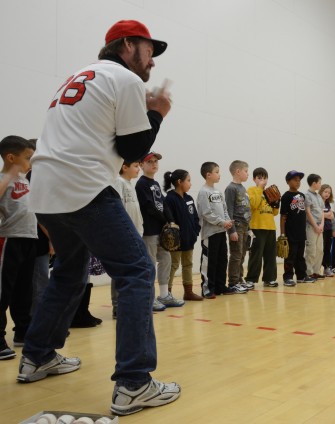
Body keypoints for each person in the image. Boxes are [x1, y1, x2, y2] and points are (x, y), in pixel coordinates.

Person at [22, 20, 180, 415]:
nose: (152, 63)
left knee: (70, 270)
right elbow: (132, 150)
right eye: (148, 51)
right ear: (128, 45)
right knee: (137, 271)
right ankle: (134, 382)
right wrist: (157, 113)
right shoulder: (124, 79)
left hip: (45, 189)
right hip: (84, 187)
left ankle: (37, 355)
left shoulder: (78, 76)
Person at [0, 136, 36, 360]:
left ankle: (23, 332)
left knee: (25, 291)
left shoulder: (26, 179)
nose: (30, 163)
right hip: (9, 239)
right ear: (11, 158)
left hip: (29, 238)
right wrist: (10, 175)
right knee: (4, 291)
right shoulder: (4, 178)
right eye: (27, 158)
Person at [136, 151, 183, 309]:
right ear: (142, 165)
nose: (154, 164)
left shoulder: (155, 184)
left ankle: (164, 296)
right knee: (149, 264)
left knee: (166, 260)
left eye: (156, 161)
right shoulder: (141, 184)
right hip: (149, 231)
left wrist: (170, 221)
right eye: (150, 162)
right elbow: (149, 208)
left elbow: (163, 205)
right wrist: (165, 221)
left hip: (162, 230)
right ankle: (149, 298)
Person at [111, 160, 149, 318]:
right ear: (124, 167)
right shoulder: (118, 183)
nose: (138, 169)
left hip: (135, 233)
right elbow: (118, 209)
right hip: (123, 235)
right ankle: (117, 306)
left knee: (133, 271)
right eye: (135, 166)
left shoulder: (129, 184)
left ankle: (129, 304)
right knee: (121, 271)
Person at [163, 169, 202, 301]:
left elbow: (195, 218)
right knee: (173, 265)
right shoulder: (170, 198)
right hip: (176, 242)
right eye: (189, 180)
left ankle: (188, 292)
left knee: (188, 264)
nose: (191, 183)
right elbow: (169, 220)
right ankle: (167, 293)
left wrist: (195, 232)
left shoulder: (189, 198)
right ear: (179, 182)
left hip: (189, 239)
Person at [198, 162, 234, 297]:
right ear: (208, 175)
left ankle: (220, 286)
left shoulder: (218, 192)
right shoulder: (203, 192)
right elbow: (206, 213)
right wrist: (221, 222)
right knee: (209, 262)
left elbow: (224, 209)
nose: (219, 175)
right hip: (210, 233)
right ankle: (207, 288)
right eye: (217, 172)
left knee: (222, 260)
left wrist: (227, 221)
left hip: (221, 232)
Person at [245, 167, 280, 288]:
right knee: (256, 255)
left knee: (270, 255)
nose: (262, 180)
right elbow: (253, 204)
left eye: (264, 178)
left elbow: (274, 213)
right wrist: (260, 189)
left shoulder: (270, 192)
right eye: (259, 178)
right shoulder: (251, 190)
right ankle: (251, 279)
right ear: (254, 179)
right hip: (256, 227)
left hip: (270, 227)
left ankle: (269, 279)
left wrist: (276, 204)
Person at [281, 170, 315, 286]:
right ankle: (288, 277)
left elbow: (304, 213)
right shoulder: (286, 196)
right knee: (290, 256)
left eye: (299, 180)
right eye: (295, 180)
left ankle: (301, 276)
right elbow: (283, 216)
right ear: (288, 181)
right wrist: (282, 234)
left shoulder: (302, 196)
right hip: (290, 233)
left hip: (301, 232)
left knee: (300, 256)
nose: (298, 182)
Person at [225, 160, 251, 293]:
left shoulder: (242, 188)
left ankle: (240, 279)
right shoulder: (231, 188)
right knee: (236, 254)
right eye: (246, 171)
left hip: (245, 227)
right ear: (238, 171)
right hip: (237, 226)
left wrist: (250, 228)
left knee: (242, 254)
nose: (248, 174)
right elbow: (228, 210)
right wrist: (232, 230)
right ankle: (233, 282)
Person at [305, 174, 325, 280]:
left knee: (319, 250)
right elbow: (308, 212)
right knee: (311, 250)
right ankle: (309, 272)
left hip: (319, 227)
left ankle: (317, 271)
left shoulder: (318, 196)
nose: (320, 185)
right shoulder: (307, 195)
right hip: (311, 226)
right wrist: (315, 226)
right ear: (314, 183)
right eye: (319, 182)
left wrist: (321, 225)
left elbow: (322, 212)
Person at [320, 184, 335, 277]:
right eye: (325, 192)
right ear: (321, 191)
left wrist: (325, 215)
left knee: (327, 249)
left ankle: (327, 268)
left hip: (328, 229)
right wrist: (326, 215)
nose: (327, 194)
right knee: (319, 250)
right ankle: (315, 269)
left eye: (329, 192)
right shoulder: (318, 202)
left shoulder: (328, 203)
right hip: (320, 229)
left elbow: (332, 216)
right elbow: (318, 214)